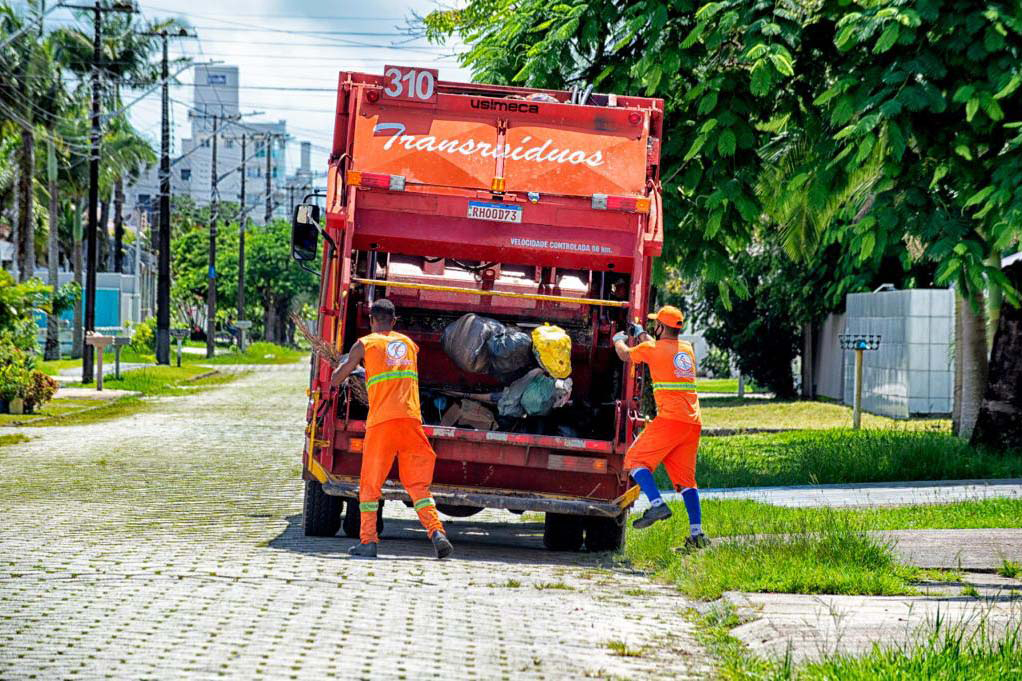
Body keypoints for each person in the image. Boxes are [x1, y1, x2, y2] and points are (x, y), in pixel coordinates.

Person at [330, 298, 454, 560]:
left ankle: (369, 542)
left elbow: (336, 378)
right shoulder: (409, 344)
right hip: (410, 421)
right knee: (418, 486)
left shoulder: (365, 344)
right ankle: (436, 532)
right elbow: (392, 367)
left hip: (382, 423)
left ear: (372, 320)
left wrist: (344, 367)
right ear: (394, 321)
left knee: (370, 485)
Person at [613, 305, 709, 549]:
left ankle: (657, 505)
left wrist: (619, 339)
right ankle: (697, 535)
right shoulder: (686, 349)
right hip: (692, 422)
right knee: (687, 481)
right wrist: (641, 332)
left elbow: (625, 354)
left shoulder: (650, 348)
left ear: (661, 327)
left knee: (634, 461)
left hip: (670, 420)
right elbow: (657, 348)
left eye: (656, 324)